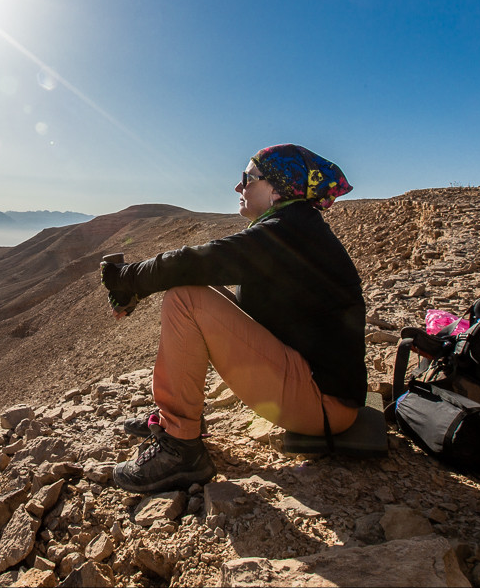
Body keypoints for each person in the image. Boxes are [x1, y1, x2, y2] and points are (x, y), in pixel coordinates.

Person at [99, 144, 367, 494]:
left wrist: (127, 278)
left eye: (248, 179)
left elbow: (197, 259)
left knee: (186, 298)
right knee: (193, 287)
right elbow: (201, 267)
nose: (239, 188)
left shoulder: (288, 231)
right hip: (319, 389)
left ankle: (181, 448)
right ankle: (177, 418)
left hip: (322, 405)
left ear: (276, 189)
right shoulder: (294, 227)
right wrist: (136, 288)